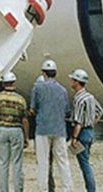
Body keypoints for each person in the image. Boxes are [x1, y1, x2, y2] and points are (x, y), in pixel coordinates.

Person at [30, 59, 73, 192]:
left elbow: (33, 109)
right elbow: (67, 111)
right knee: (63, 161)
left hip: (42, 129)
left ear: (43, 73)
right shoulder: (63, 90)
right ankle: (67, 188)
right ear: (55, 73)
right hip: (59, 129)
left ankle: (43, 189)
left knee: (43, 162)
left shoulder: (37, 88)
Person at [0, 72, 30, 192]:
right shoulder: (20, 99)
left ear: (3, 84)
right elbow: (25, 120)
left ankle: (3, 189)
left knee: (3, 163)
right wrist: (26, 137)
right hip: (16, 130)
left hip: (2, 130)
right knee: (17, 162)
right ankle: (18, 189)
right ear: (14, 83)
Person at [69, 68, 103, 192]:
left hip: (82, 133)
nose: (71, 81)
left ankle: (91, 189)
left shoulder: (79, 99)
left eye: (72, 80)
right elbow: (100, 112)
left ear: (77, 82)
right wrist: (91, 123)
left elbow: (78, 122)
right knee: (86, 161)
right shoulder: (90, 97)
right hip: (89, 132)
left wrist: (74, 138)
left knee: (85, 165)